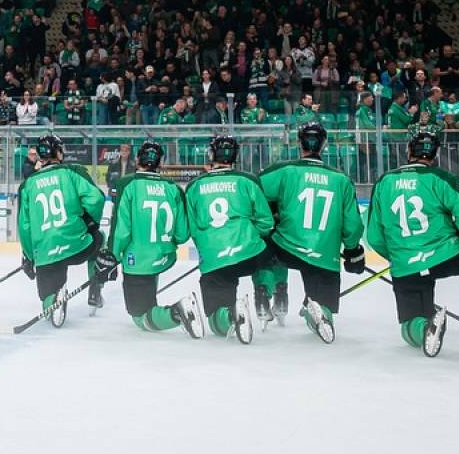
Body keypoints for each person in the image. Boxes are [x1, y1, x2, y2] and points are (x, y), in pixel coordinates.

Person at [367, 128, 459, 356]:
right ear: (435, 154)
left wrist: (399, 256)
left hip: (406, 265)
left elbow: (374, 237)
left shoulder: (384, 182)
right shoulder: (443, 178)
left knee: (409, 326)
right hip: (446, 255)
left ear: (408, 150)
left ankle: (425, 327)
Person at [258, 122, 364, 343]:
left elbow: (253, 190)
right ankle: (318, 312)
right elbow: (353, 225)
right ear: (324, 145)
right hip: (325, 255)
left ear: (300, 143)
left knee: (264, 247)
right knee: (322, 303)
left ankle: (266, 291)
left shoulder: (285, 171)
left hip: (288, 247)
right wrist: (353, 250)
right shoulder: (341, 179)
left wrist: (273, 211)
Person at [183, 135, 274, 344]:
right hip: (249, 253)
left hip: (215, 259)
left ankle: (231, 315)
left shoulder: (194, 186)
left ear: (211, 155)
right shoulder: (248, 180)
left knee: (216, 323)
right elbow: (266, 223)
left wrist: (209, 250)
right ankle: (263, 290)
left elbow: (192, 229)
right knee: (270, 252)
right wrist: (251, 236)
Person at [107, 141, 201, 336]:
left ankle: (177, 312)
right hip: (163, 257)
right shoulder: (173, 188)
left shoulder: (128, 184)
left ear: (137, 159)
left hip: (137, 261)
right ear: (160, 163)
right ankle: (159, 311)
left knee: (140, 317)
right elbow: (182, 234)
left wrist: (111, 256)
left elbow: (121, 230)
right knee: (148, 300)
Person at [15, 133, 107, 328]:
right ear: (58, 152)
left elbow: (24, 227)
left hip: (46, 252)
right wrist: (91, 223)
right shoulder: (72, 172)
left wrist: (30, 256)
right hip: (77, 245)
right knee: (100, 238)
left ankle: (54, 300)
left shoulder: (27, 185)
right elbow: (96, 199)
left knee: (46, 298)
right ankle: (95, 287)